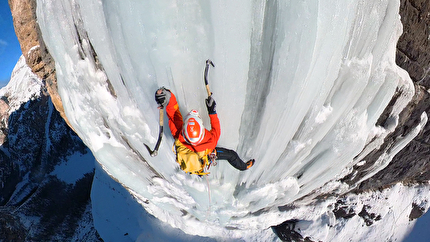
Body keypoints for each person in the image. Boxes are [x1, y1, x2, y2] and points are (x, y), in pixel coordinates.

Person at [155, 87, 254, 175]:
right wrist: (212, 111)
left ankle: (195, 169)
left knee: (231, 155)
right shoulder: (210, 141)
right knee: (231, 155)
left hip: (189, 157)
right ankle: (244, 167)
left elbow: (173, 112)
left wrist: (167, 96)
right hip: (205, 157)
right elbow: (216, 129)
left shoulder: (178, 134)